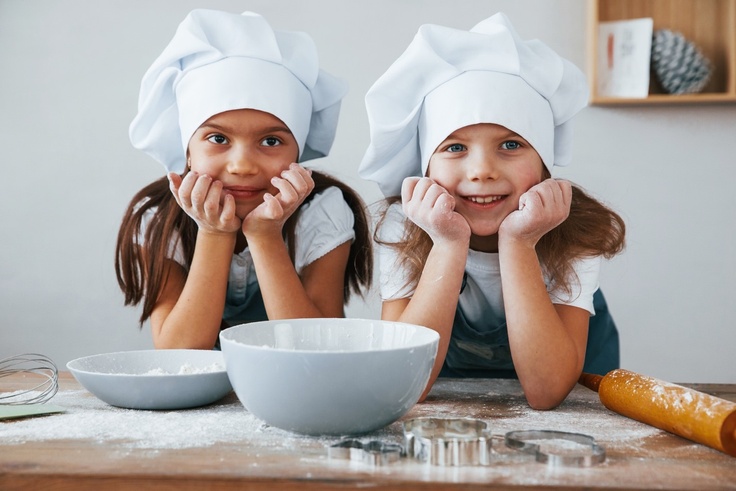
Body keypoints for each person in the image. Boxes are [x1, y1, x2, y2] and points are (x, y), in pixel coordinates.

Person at [359, 13, 625, 409]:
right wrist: (448, 245)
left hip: (573, 403)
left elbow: (547, 389)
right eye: (455, 147)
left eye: (511, 145)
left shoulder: (570, 226)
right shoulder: (406, 225)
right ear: (426, 166)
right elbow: (403, 383)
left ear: (544, 162)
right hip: (447, 398)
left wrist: (519, 242)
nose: (482, 170)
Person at [116, 9, 372, 349]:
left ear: (297, 152)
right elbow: (179, 354)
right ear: (187, 150)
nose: (242, 166)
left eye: (271, 141)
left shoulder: (323, 213)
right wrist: (214, 232)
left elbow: (319, 349)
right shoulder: (158, 220)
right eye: (218, 139)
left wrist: (265, 236)